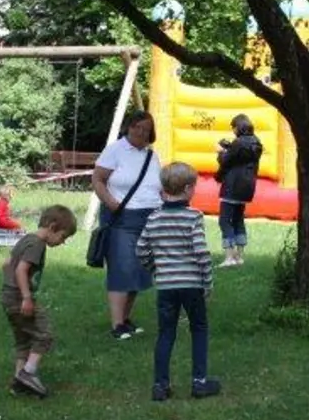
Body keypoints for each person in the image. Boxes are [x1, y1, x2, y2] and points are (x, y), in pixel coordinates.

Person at [136, 162, 219, 401]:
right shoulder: (193, 217)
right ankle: (199, 382)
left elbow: (141, 250)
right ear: (187, 189)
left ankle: (161, 386)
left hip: (166, 286)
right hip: (192, 284)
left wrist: (157, 269)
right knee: (199, 329)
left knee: (166, 333)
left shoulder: (153, 218)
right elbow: (201, 252)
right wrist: (207, 281)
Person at [90, 110, 163, 341]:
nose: (141, 132)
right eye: (137, 127)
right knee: (122, 268)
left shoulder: (152, 156)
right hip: (121, 217)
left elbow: (158, 186)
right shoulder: (115, 150)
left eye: (146, 129)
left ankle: (125, 318)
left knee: (140, 270)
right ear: (128, 127)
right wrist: (111, 203)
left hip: (150, 217)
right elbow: (97, 179)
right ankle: (116, 324)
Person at [0, 205, 78, 398]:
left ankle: (17, 383)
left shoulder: (26, 239)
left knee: (23, 340)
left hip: (8, 296)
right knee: (44, 333)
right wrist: (26, 297)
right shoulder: (37, 244)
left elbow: (7, 264)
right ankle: (28, 373)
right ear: (52, 227)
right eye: (63, 236)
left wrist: (10, 288)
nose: (62, 242)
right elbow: (21, 270)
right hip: (20, 298)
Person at [214, 114, 263, 267]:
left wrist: (220, 152)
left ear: (238, 127)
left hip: (232, 186)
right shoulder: (256, 143)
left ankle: (229, 257)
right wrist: (229, 147)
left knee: (224, 220)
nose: (233, 130)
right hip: (247, 187)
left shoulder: (238, 143)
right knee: (238, 219)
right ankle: (239, 256)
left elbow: (226, 161)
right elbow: (241, 156)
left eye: (233, 127)